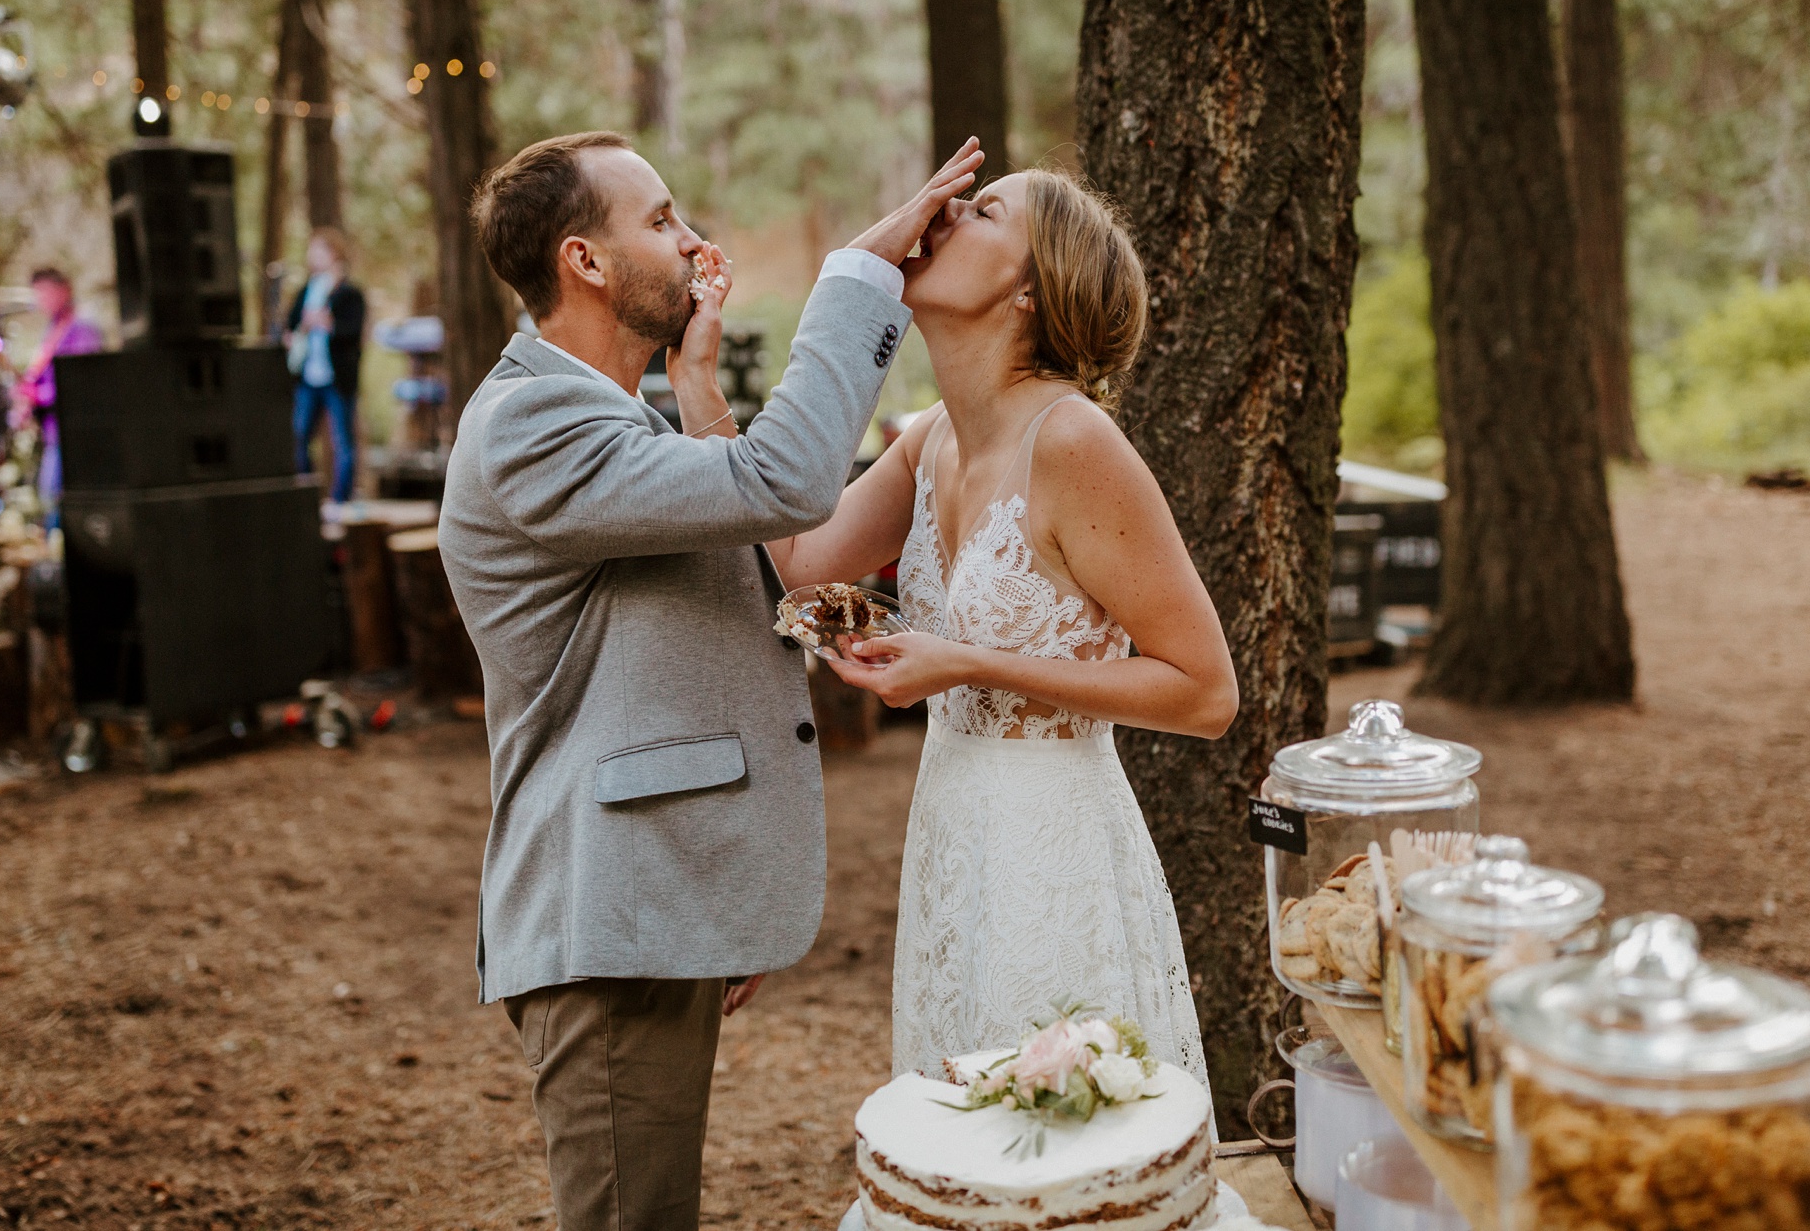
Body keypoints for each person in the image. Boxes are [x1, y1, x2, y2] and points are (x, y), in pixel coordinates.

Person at [437, 129, 984, 1231]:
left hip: (648, 905)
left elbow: (702, 573)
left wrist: (694, 381)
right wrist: (856, 275)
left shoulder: (607, 421)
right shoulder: (531, 424)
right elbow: (781, 482)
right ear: (584, 262)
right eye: (661, 221)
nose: (694, 242)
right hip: (604, 922)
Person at [764, 167, 1239, 1102]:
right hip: (952, 826)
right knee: (964, 1122)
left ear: (1031, 287)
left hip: (1052, 844)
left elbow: (1205, 691)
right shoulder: (931, 436)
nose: (943, 215)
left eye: (983, 211)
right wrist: (700, 381)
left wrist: (967, 662)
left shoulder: (1075, 444)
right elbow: (792, 554)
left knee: (1052, 1139)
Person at [11, 267, 104, 522]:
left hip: (77, 433)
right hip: (54, 432)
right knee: (49, 497)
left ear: (64, 290)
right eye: (37, 294)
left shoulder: (82, 329)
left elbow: (83, 383)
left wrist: (39, 395)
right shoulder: (52, 330)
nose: (40, 300)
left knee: (60, 499)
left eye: (45, 292)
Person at [284, 227, 366, 502]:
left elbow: (353, 331)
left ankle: (340, 500)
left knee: (342, 443)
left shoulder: (349, 293)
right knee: (299, 437)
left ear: (332, 253)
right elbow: (291, 325)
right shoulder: (306, 291)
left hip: (337, 378)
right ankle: (306, 497)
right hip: (308, 378)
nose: (311, 256)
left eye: (317, 249)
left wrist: (328, 324)